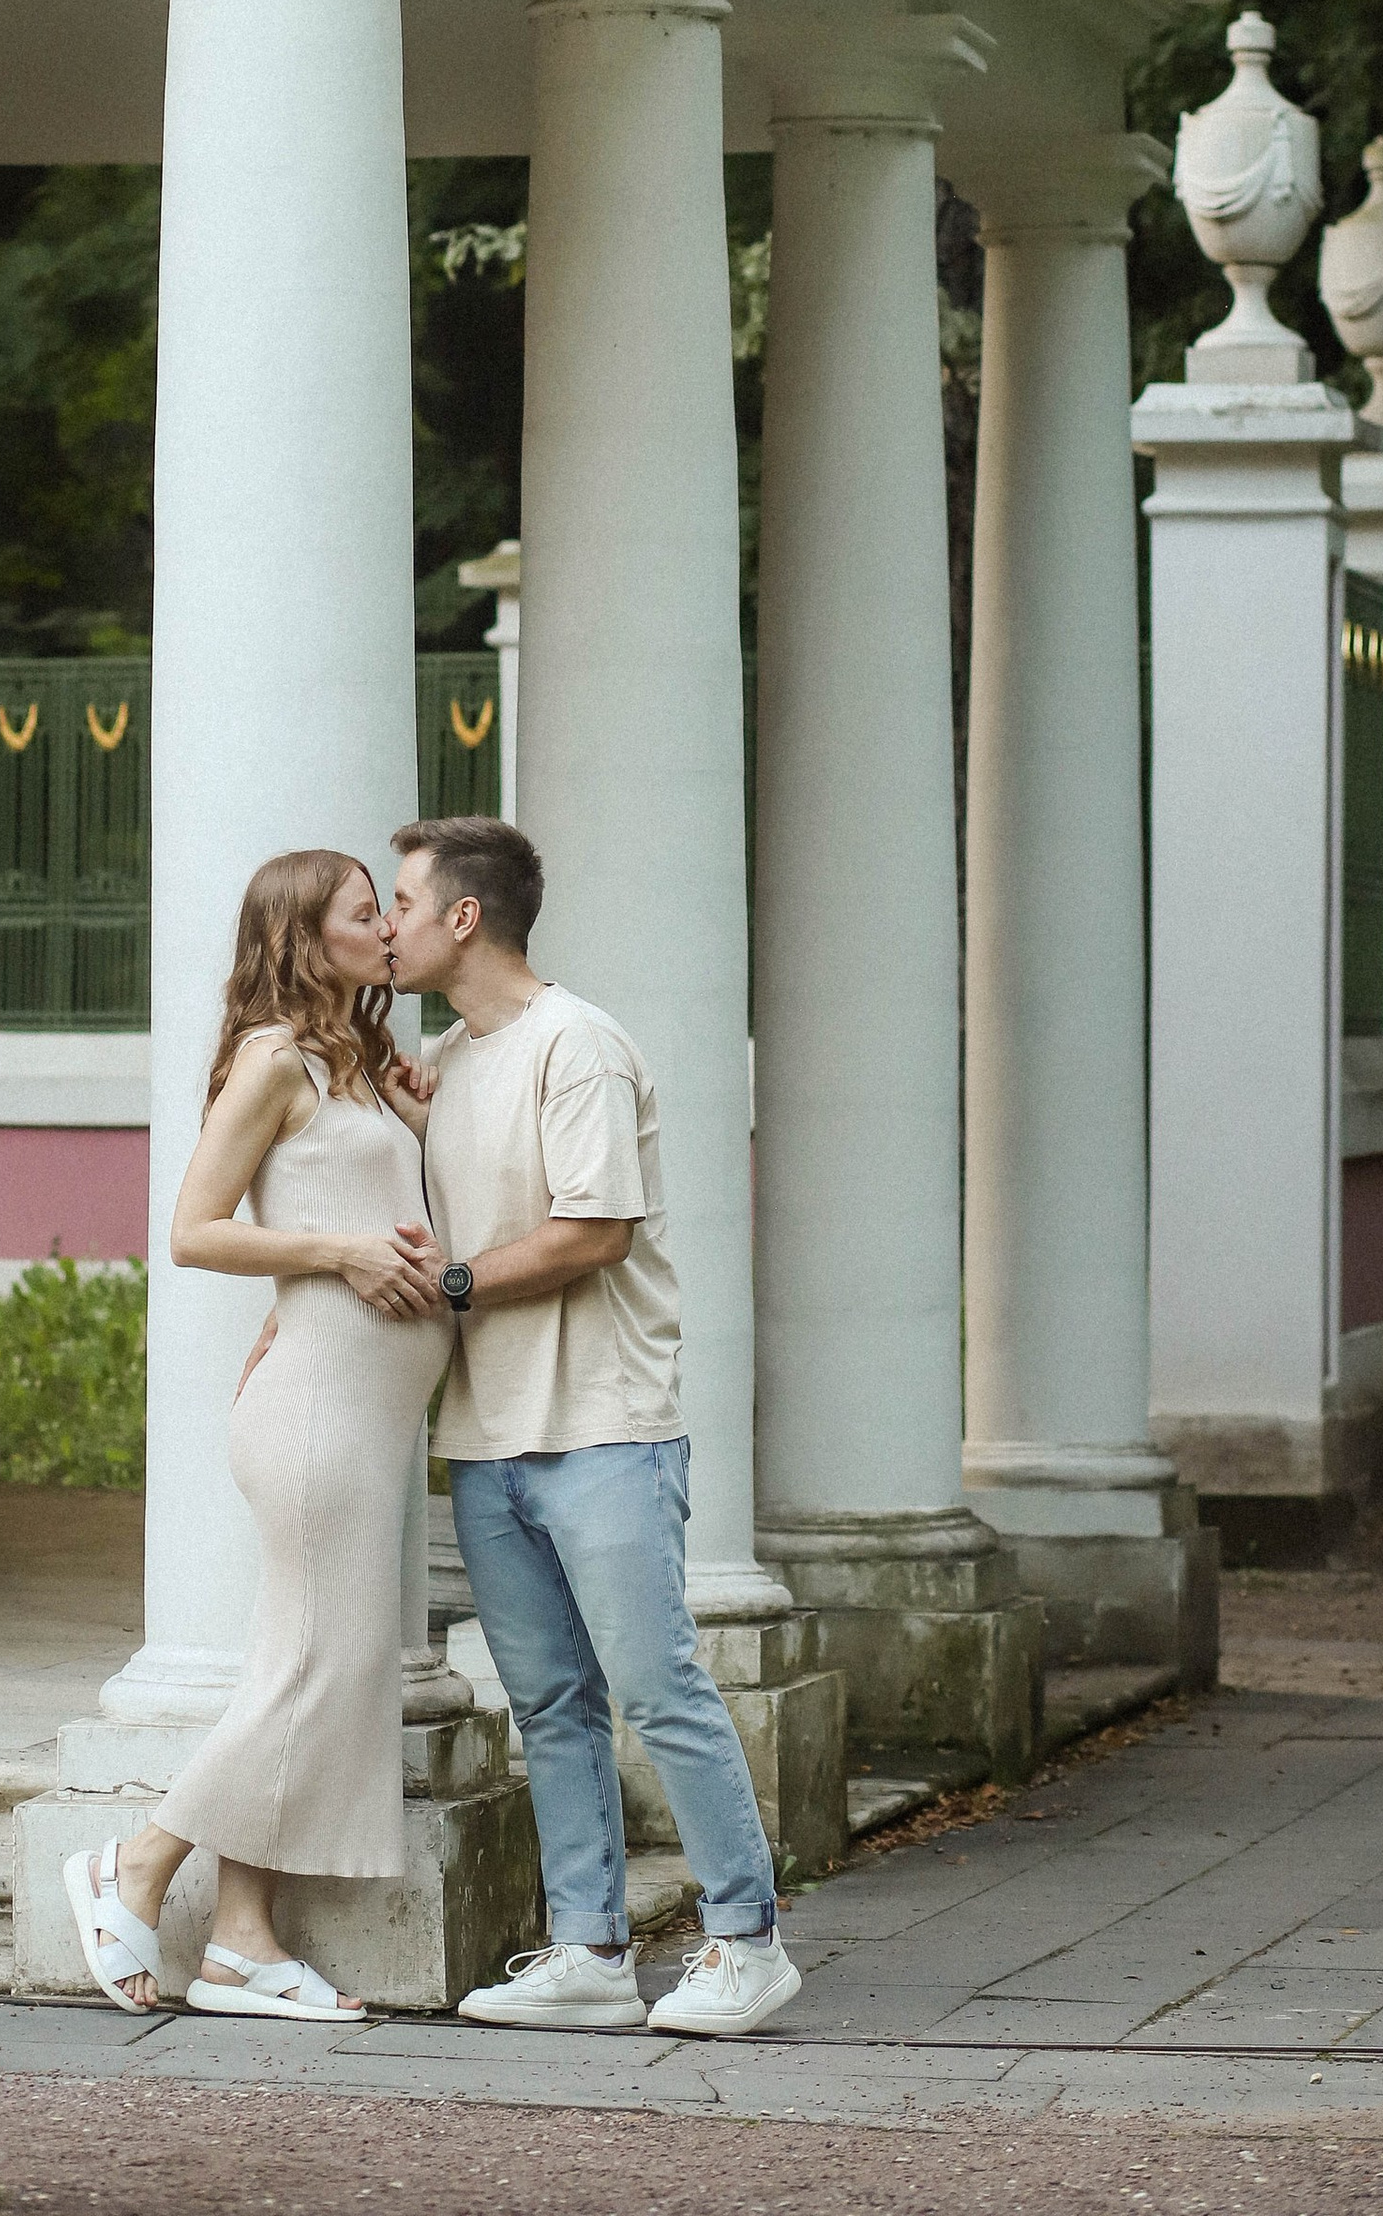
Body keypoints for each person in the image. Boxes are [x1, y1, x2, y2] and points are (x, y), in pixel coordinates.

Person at [387, 815, 803, 2040]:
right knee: (550, 1703)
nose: (391, 923)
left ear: (464, 916)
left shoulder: (583, 1048)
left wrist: (452, 1284)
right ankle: (590, 1953)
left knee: (658, 1684)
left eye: (404, 901)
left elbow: (591, 1234)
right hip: (488, 1435)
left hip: (605, 1428)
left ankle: (747, 1942)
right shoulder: (455, 1061)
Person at [63, 847, 449, 2022]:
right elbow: (193, 1228)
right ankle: (136, 1861)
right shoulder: (276, 1060)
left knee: (310, 1664)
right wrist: (332, 1258)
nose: (385, 924)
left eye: (385, 907)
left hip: (364, 1407)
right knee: (320, 1667)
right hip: (318, 1407)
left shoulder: (363, 1061)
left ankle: (241, 1944)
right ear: (302, 937)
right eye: (360, 911)